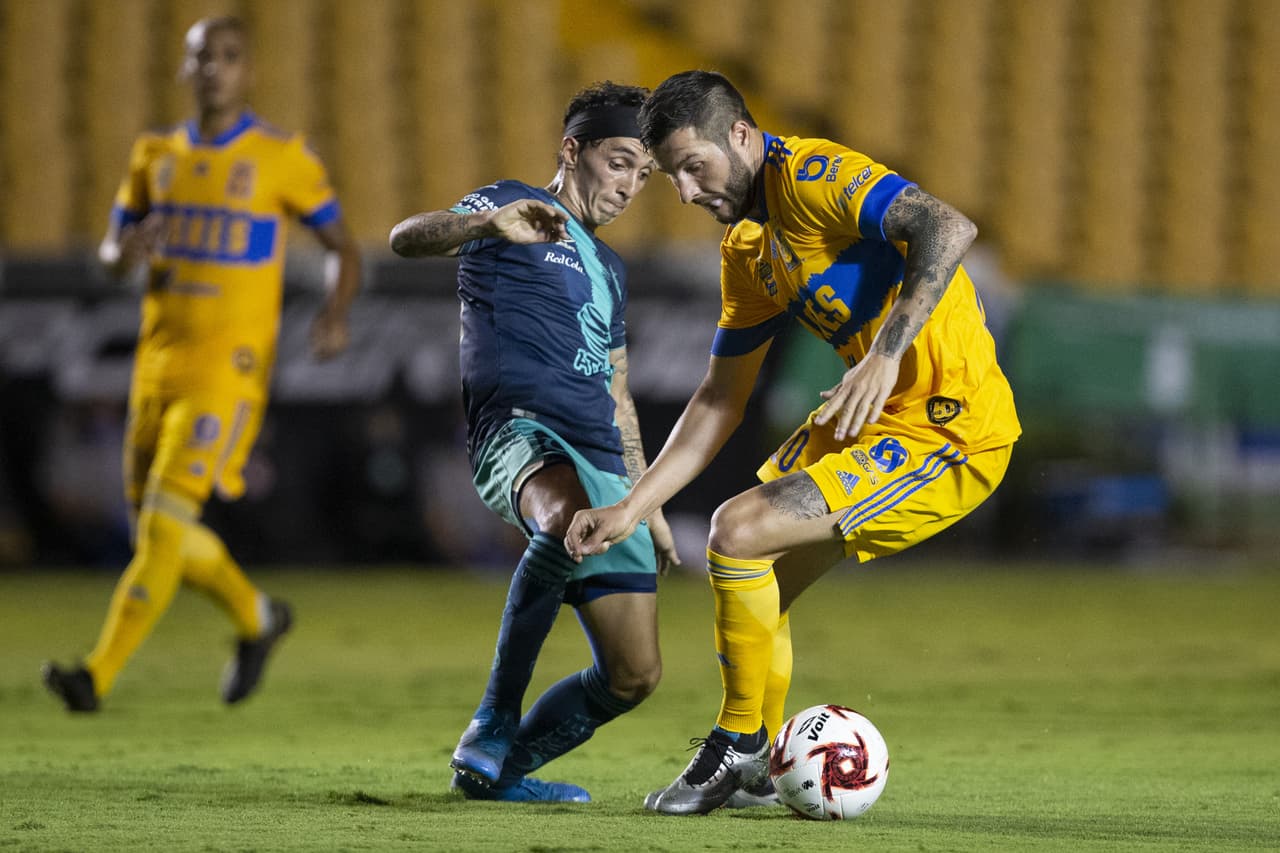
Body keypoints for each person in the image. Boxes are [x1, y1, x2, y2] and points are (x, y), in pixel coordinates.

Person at [564, 70, 1021, 815]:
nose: (682, 192)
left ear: (740, 136)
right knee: (754, 575)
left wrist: (884, 353)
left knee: (737, 532)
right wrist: (631, 504)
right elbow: (719, 398)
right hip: (874, 422)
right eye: (669, 176)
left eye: (692, 166)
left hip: (950, 426)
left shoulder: (811, 176)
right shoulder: (748, 248)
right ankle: (753, 760)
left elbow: (948, 225)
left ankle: (738, 743)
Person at [42, 16, 361, 712]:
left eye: (228, 56)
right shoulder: (154, 154)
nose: (213, 67)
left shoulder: (282, 157)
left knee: (161, 528)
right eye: (201, 57)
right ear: (184, 71)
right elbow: (108, 251)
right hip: (155, 367)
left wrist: (333, 310)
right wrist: (121, 256)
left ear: (249, 72)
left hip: (230, 369)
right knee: (159, 536)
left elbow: (342, 243)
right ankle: (258, 618)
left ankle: (94, 675)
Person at [389, 81, 680, 804]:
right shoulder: (512, 204)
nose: (630, 186)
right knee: (564, 518)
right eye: (619, 162)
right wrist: (487, 223)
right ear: (572, 149)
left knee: (635, 674)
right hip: (519, 432)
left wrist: (652, 498)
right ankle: (492, 718)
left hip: (604, 459)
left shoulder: (611, 272)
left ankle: (503, 771)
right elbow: (405, 238)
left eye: (643, 175)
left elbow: (618, 395)